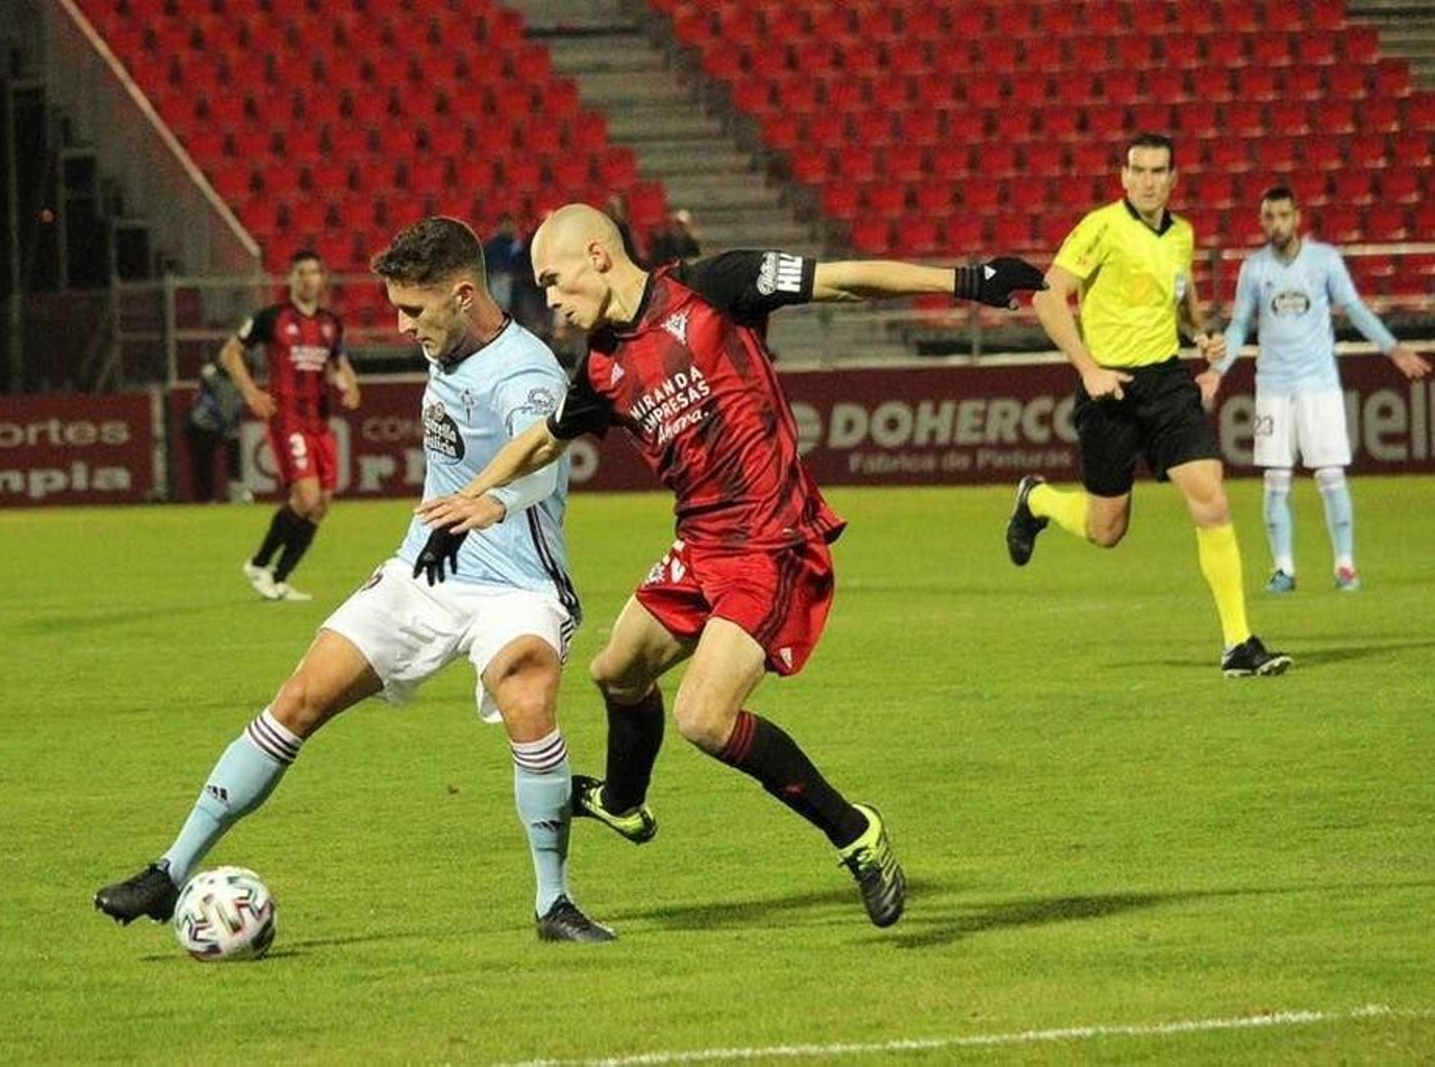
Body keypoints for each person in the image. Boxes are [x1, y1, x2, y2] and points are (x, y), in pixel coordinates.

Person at [416, 203, 1046, 929]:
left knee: (703, 717)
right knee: (617, 670)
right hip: (701, 542)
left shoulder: (714, 286)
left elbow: (842, 282)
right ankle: (624, 803)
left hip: (770, 538)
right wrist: (468, 496)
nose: (548, 300)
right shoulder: (600, 362)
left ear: (597, 255)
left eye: (553, 281)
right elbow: (545, 440)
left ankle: (856, 832)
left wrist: (965, 279)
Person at [94, 217, 613, 943]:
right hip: (423, 569)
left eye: (413, 310)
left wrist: (493, 499)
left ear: (464, 295)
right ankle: (169, 870)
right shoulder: (451, 340)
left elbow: (545, 459)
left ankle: (553, 902)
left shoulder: (525, 372)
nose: (402, 327)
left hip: (517, 583)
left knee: (528, 700)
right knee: (299, 696)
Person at [1008, 132, 1291, 677]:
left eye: (1159, 172)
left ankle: (1239, 643)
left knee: (1211, 498)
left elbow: (1184, 301)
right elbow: (1047, 294)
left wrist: (1202, 334)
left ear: (1173, 178)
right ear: (1123, 176)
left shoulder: (1180, 235)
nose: (1148, 181)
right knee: (1106, 529)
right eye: (1138, 170)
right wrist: (1087, 368)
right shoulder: (1101, 227)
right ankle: (1037, 500)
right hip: (1109, 388)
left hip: (1166, 383)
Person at [1206, 185, 1431, 592]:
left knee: (1330, 474)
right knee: (1275, 477)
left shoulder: (1324, 260)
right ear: (1261, 221)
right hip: (1273, 384)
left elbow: (1355, 308)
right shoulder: (1254, 268)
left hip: (1318, 384)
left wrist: (1392, 348)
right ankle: (1284, 568)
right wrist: (1218, 369)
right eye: (1269, 217)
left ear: (1297, 217)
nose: (1276, 224)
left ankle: (1345, 565)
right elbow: (1240, 324)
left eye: (1283, 216)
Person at [222, 249, 360, 602]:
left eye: (314, 272)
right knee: (307, 496)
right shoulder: (272, 318)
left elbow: (339, 362)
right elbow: (230, 353)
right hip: (288, 419)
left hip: (321, 422)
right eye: (301, 273)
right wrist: (251, 392)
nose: (308, 279)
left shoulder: (331, 323)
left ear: (322, 278)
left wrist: (350, 385)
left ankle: (280, 579)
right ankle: (258, 563)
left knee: (321, 504)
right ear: (291, 278)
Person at [185, 357, 248, 503]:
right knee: (205, 464)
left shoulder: (238, 378)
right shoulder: (209, 374)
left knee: (235, 459)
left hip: (226, 424)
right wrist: (221, 420)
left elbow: (238, 402)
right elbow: (207, 400)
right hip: (204, 425)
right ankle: (206, 498)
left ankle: (237, 494)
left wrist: (233, 424)